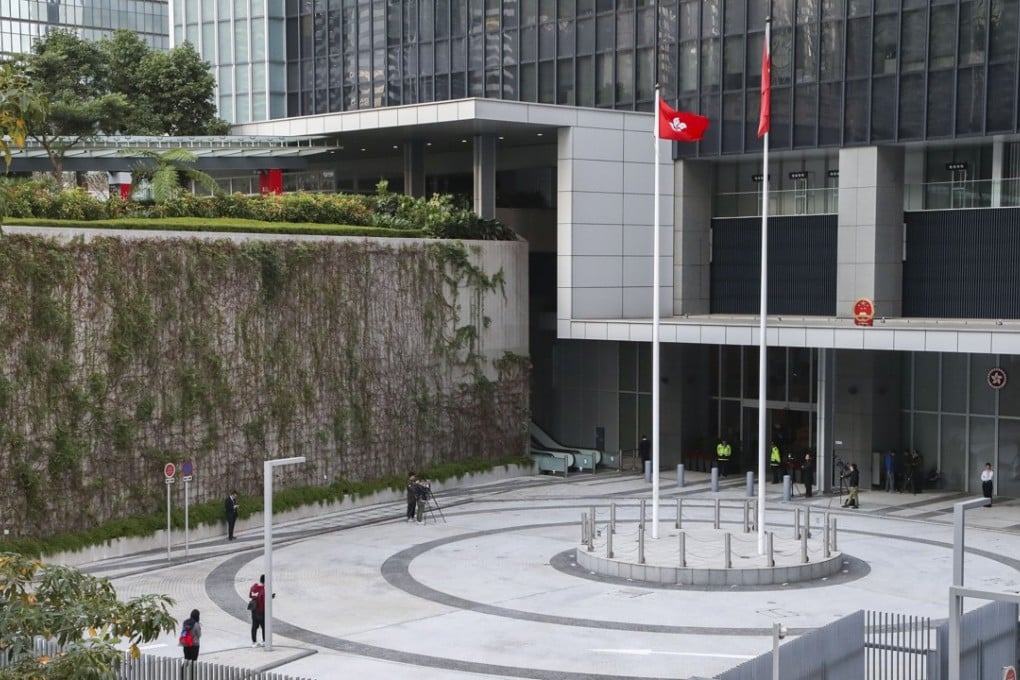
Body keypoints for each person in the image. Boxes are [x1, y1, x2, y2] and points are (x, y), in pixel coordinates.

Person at [249, 574, 273, 646]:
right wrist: (270, 597)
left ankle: (254, 642)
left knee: (254, 626)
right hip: (261, 611)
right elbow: (264, 601)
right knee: (264, 626)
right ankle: (264, 641)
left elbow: (250, 595)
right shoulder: (264, 590)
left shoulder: (254, 587)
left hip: (254, 610)